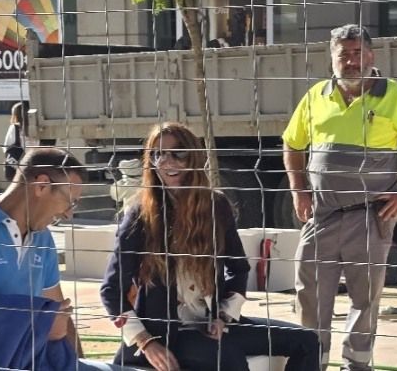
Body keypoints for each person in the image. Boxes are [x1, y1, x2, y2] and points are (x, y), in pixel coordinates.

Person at [282, 24, 397, 370]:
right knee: (309, 295)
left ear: (371, 56)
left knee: (364, 300)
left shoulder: (395, 95)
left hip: (370, 218)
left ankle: (356, 364)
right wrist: (299, 191)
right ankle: (312, 361)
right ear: (332, 58)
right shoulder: (316, 96)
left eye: (358, 53)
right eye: (344, 54)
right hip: (320, 217)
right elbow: (292, 146)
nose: (351, 61)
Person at [101, 122, 319, 371]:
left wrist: (224, 315)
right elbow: (112, 289)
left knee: (307, 341)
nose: (167, 162)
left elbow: (238, 268)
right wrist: (146, 342)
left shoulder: (216, 205)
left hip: (211, 323)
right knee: (229, 358)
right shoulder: (140, 213)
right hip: (170, 332)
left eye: (178, 153)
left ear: (194, 156)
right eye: (158, 154)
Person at [0, 147, 119, 371]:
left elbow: (58, 319)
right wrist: (40, 328)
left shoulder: (43, 238)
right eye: (71, 202)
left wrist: (76, 364)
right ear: (42, 185)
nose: (69, 214)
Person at [3, 101, 37, 182]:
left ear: (15, 115)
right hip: (35, 164)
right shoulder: (36, 128)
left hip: (18, 167)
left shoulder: (14, 128)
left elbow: (7, 147)